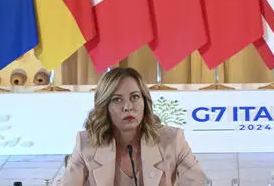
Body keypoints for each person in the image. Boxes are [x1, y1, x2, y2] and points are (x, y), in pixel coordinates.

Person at [62, 67, 207, 186]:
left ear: (145, 101)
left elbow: (197, 182)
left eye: (135, 97)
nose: (128, 107)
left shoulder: (173, 140)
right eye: (117, 99)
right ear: (104, 106)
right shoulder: (86, 143)